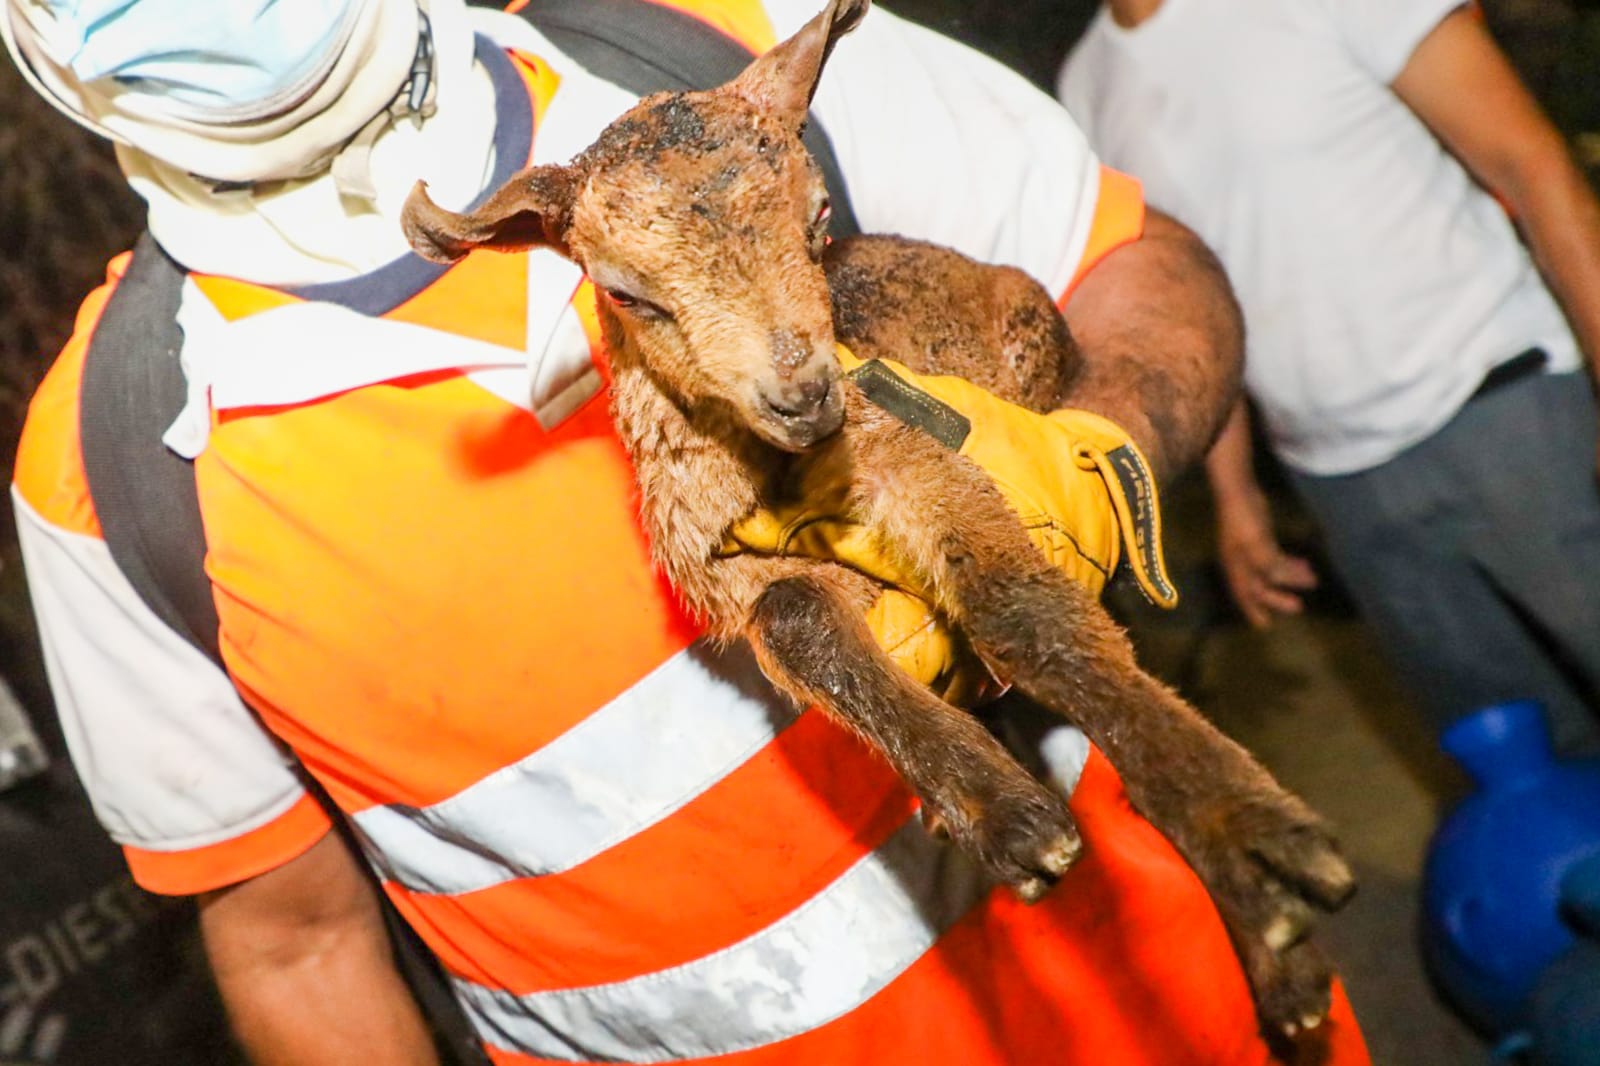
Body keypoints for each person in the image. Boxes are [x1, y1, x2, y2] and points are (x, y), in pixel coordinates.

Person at [5, 0, 1368, 1062]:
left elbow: (1138, 263)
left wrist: (1100, 457)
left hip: (1166, 1007)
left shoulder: (714, 45)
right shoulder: (109, 466)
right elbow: (295, 945)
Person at [1060, 0, 1600, 755]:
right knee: (1514, 757)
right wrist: (1236, 498)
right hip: (1339, 483)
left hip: (1503, 407)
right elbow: (1189, 301)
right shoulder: (1087, 84)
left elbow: (1531, 161)